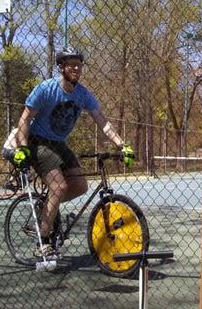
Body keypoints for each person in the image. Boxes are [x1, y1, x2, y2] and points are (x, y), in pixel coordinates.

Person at [11, 47, 134, 260]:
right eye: (71, 64)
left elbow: (102, 122)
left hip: (59, 143)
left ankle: (47, 209)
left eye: (78, 64)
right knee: (59, 186)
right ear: (61, 67)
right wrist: (21, 147)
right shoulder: (46, 89)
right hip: (37, 141)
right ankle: (43, 239)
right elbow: (24, 119)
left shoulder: (83, 94)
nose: (76, 68)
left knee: (79, 186)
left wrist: (122, 145)